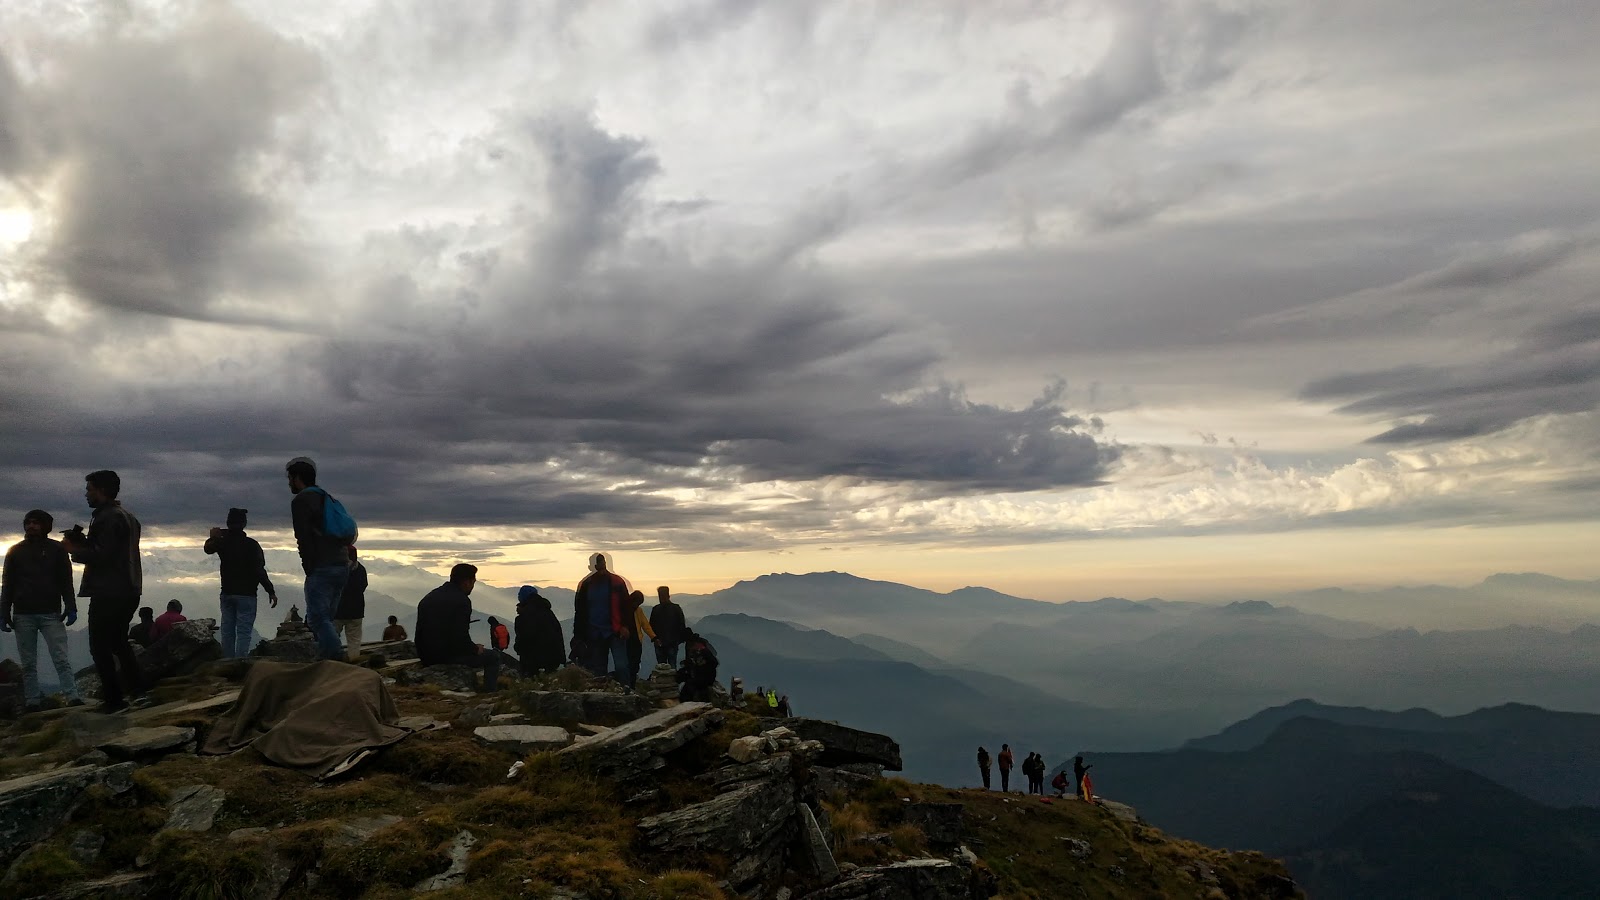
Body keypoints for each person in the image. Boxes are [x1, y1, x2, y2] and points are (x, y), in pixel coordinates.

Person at [59, 470, 146, 713]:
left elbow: (102, 556)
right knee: (119, 642)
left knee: (99, 646)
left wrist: (72, 549)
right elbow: (113, 550)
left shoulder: (106, 517)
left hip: (110, 590)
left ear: (102, 491)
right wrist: (86, 542)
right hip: (129, 588)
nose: (86, 494)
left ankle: (114, 700)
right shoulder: (128, 516)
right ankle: (139, 692)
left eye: (90, 489)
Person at [1, 509, 83, 711]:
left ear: (46, 526)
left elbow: (66, 581)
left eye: (36, 523)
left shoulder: (57, 550)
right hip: (23, 614)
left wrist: (70, 607)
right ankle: (32, 701)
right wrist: (4, 612)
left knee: (60, 658)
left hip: (50, 613)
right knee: (28, 663)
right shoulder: (14, 551)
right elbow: (8, 584)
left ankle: (72, 697)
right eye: (28, 522)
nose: (31, 526)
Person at [286, 457, 350, 660]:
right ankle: (326, 657)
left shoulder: (301, 501)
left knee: (316, 618)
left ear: (297, 478)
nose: (289, 483)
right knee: (327, 618)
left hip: (322, 565)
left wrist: (308, 566)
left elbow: (303, 537)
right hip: (342, 562)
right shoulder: (325, 497)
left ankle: (335, 656)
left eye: (290, 478)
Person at [203, 508, 278, 658]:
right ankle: (241, 662)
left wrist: (214, 537)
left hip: (227, 592)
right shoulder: (252, 545)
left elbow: (208, 549)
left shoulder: (223, 543)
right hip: (247, 594)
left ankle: (227, 661)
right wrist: (270, 590)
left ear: (228, 523)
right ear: (244, 524)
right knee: (244, 631)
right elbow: (259, 570)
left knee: (227, 630)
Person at [415, 563, 498, 692]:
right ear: (466, 582)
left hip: (426, 655)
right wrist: (475, 649)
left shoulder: (429, 597)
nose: (472, 586)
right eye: (473, 582)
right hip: (447, 656)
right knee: (493, 657)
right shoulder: (462, 601)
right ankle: (489, 693)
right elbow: (459, 636)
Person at [573, 553, 631, 689]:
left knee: (621, 666)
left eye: (602, 562)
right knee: (599, 669)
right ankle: (605, 695)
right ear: (592, 566)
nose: (601, 566)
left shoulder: (617, 582)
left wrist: (625, 626)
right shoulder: (586, 585)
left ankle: (627, 693)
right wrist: (579, 635)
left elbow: (626, 605)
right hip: (595, 633)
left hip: (615, 631)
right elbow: (580, 612)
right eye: (599, 563)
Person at [513, 586, 565, 674]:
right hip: (553, 657)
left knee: (531, 681)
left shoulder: (525, 615)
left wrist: (517, 648)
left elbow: (525, 638)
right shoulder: (548, 612)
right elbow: (558, 634)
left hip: (533, 659)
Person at [333, 546, 368, 661]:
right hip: (356, 611)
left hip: (337, 610)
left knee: (333, 636)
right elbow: (363, 586)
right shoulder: (361, 569)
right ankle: (353, 661)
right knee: (354, 640)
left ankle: (333, 660)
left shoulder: (336, 569)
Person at [648, 585, 687, 668]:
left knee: (663, 667)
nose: (661, 598)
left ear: (668, 596)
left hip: (666, 643)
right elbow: (681, 625)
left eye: (662, 596)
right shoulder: (675, 608)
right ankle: (672, 681)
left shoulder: (656, 609)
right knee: (670, 666)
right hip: (666, 642)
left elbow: (651, 625)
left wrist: (655, 639)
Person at [625, 590, 658, 686]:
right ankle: (627, 683)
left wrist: (654, 637)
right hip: (626, 641)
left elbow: (645, 625)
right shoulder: (624, 610)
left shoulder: (638, 611)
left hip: (636, 641)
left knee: (635, 664)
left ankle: (631, 684)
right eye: (637, 603)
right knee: (627, 663)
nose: (637, 605)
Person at [675, 630, 718, 702]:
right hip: (700, 675)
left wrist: (701, 669)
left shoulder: (703, 651)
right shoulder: (695, 649)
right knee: (685, 682)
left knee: (690, 687)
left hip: (706, 678)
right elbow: (690, 664)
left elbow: (714, 663)